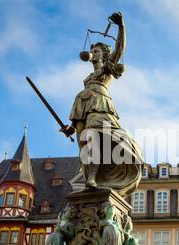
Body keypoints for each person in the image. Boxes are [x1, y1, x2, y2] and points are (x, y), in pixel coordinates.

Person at [61, 12, 143, 198]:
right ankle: (90, 178)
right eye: (93, 51)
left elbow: (120, 48)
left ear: (104, 55)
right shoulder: (88, 78)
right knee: (83, 145)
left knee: (94, 137)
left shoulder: (107, 69)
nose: (93, 53)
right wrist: (70, 128)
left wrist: (121, 26)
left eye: (97, 51)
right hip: (82, 105)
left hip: (100, 104)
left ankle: (92, 178)